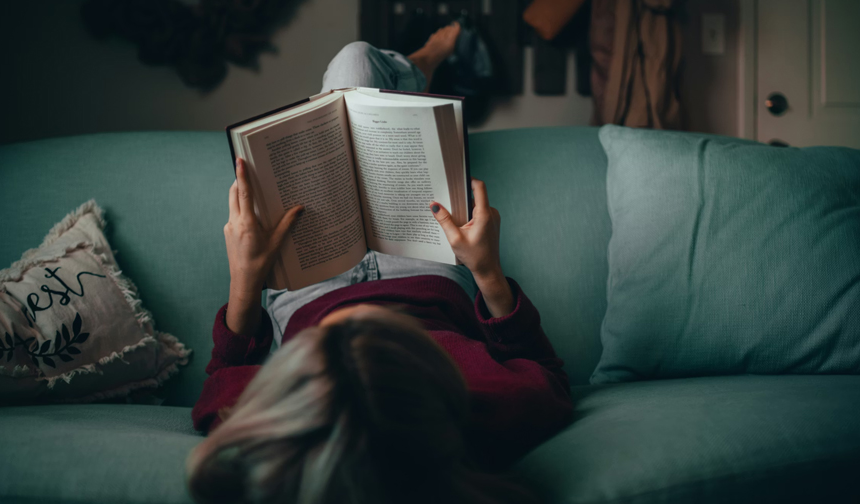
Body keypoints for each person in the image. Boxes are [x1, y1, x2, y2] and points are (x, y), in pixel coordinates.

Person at [186, 25, 573, 504]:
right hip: (421, 270)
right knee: (359, 69)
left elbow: (222, 377)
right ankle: (427, 60)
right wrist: (487, 271)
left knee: (353, 69)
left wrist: (244, 278)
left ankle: (420, 68)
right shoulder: (491, 408)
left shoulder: (266, 428)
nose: (359, 326)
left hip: (309, 284)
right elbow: (548, 372)